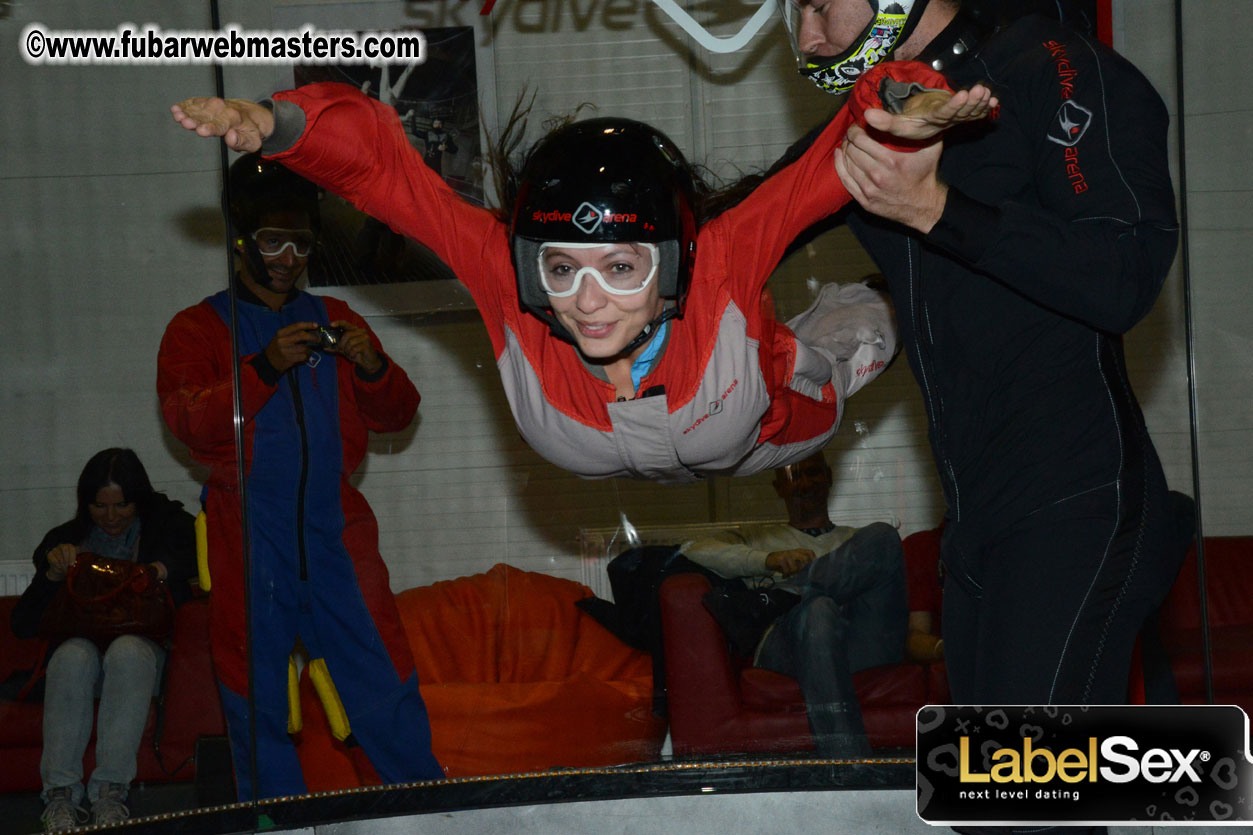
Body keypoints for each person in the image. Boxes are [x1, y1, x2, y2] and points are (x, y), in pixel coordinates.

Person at [168, 62, 995, 484]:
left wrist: (906, 103)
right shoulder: (506, 278)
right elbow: (386, 174)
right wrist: (280, 125)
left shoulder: (721, 257)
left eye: (620, 267)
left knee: (863, 332)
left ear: (674, 262)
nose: (586, 303)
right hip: (685, 431)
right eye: (559, 268)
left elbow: (834, 161)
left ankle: (870, 308)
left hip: (773, 418)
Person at [780, 0, 1183, 765]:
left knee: (1026, 804)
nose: (806, 40)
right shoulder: (893, 103)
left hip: (1074, 501)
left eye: (818, 6)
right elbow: (751, 217)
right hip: (972, 518)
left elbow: (1122, 276)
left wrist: (934, 208)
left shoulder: (1056, 68)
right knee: (989, 802)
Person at [156, 155, 442, 800]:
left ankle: (424, 810)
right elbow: (190, 423)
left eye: (302, 243)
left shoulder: (338, 317)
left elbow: (398, 414)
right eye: (271, 241)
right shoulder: (197, 328)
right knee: (253, 690)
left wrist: (372, 368)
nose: (288, 256)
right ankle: (273, 818)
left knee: (382, 676)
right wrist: (261, 367)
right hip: (247, 531)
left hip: (336, 528)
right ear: (241, 242)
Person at [10, 448, 197, 832]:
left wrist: (164, 570)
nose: (111, 517)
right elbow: (22, 624)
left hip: (142, 657)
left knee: (127, 651)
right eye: (99, 506)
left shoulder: (168, 527)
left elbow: (205, 555)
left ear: (138, 500)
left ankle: (110, 793)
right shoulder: (66, 540)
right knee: (72, 656)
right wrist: (52, 576)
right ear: (86, 504)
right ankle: (60, 796)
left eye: (122, 505)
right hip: (81, 660)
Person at [680, 451, 907, 756]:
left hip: (856, 644)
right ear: (779, 487)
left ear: (828, 478)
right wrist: (768, 560)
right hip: (788, 647)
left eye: (813, 473)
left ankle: (789, 593)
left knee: (883, 535)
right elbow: (692, 550)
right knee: (818, 610)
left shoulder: (856, 543)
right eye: (794, 476)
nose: (805, 483)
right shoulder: (758, 538)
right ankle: (848, 768)